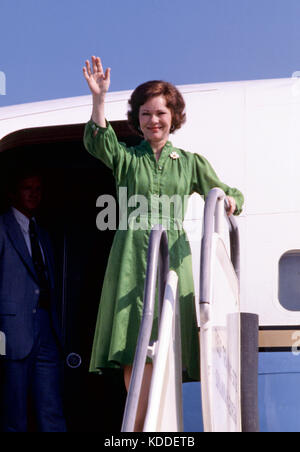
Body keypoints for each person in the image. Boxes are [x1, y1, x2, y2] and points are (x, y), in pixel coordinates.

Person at [83, 56, 244, 431]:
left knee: (167, 341)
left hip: (174, 256)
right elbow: (98, 144)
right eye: (144, 114)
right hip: (130, 257)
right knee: (133, 346)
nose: (153, 121)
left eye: (160, 113)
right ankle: (139, 428)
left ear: (174, 116)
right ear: (136, 120)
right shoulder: (127, 159)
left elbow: (223, 190)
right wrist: (99, 100)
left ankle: (151, 427)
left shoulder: (189, 162)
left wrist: (231, 199)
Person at [0, 171, 67, 432]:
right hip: (11, 333)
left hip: (46, 328)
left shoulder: (43, 233)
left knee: (51, 408)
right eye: (27, 187)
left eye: (38, 188)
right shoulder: (2, 227)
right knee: (13, 413)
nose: (33, 193)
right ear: (12, 193)